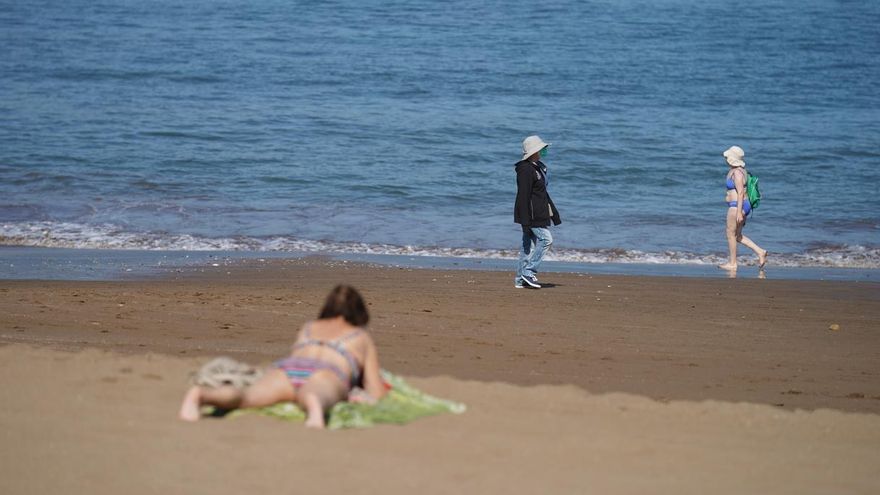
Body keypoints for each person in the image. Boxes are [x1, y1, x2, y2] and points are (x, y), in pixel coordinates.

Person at [179, 285, 387, 429]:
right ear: (359, 313)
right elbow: (375, 390)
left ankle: (202, 395)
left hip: (289, 368)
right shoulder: (360, 336)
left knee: (246, 397)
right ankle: (314, 407)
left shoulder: (308, 328)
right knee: (317, 393)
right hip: (326, 372)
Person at [514, 135, 561, 289]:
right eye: (541, 149)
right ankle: (528, 272)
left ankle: (520, 280)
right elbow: (523, 195)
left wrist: (554, 214)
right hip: (531, 215)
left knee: (527, 247)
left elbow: (543, 194)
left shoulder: (539, 167)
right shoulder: (525, 169)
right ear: (534, 151)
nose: (543, 151)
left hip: (540, 213)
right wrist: (525, 219)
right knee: (546, 240)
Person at [719, 145, 767, 272]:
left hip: (737, 206)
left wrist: (739, 212)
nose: (726, 159)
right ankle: (760, 252)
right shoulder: (739, 170)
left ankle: (733, 263)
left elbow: (740, 192)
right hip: (739, 205)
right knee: (738, 236)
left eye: (728, 157)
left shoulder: (737, 173)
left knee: (730, 234)